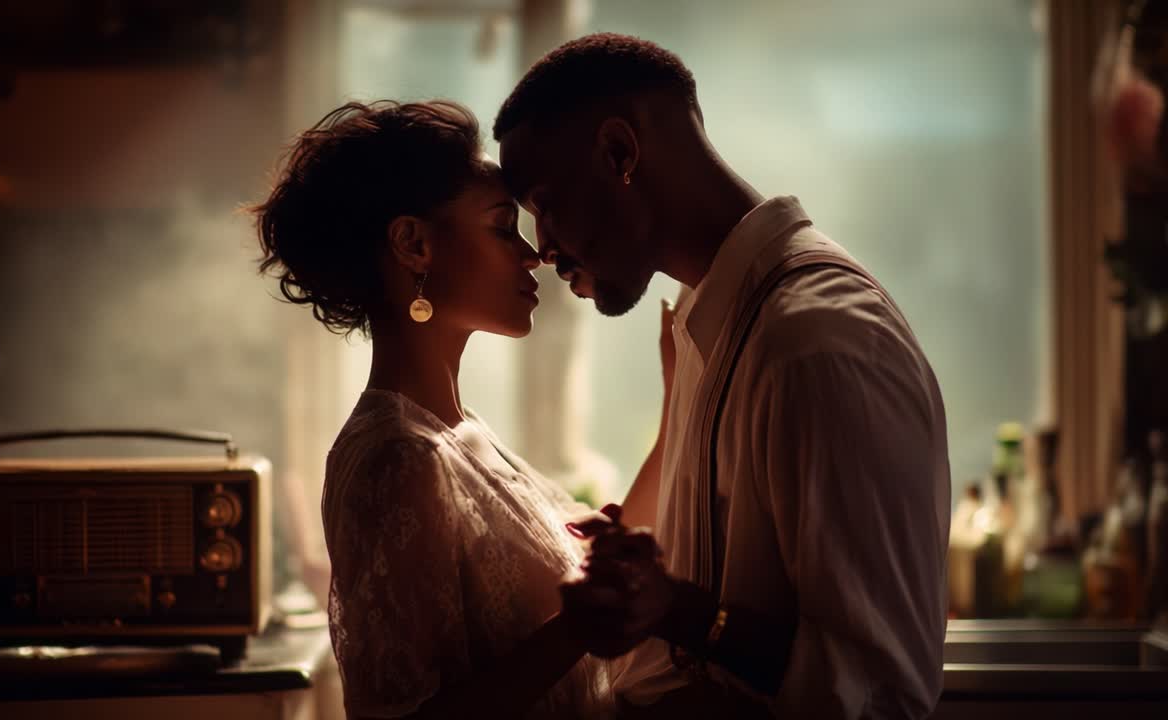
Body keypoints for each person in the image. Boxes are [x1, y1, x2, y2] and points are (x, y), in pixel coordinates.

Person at [495, 33, 952, 718]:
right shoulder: (707, 326)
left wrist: (675, 609)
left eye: (546, 204)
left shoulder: (816, 345)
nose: (544, 249)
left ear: (620, 154)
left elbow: (873, 692)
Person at [251, 99, 672, 719]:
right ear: (414, 244)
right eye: (504, 227)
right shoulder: (397, 458)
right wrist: (573, 635)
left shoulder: (458, 430)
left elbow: (586, 566)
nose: (532, 255)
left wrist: (675, 413)